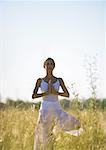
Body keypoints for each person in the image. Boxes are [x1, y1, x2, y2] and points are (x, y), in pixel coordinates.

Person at [32, 58, 83, 150]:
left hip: (56, 108)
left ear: (54, 66)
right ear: (44, 66)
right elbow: (34, 96)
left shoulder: (59, 80)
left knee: (76, 125)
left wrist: (56, 92)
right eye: (47, 64)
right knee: (44, 134)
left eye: (51, 64)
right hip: (45, 109)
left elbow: (67, 94)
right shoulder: (40, 80)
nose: (49, 66)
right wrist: (46, 93)